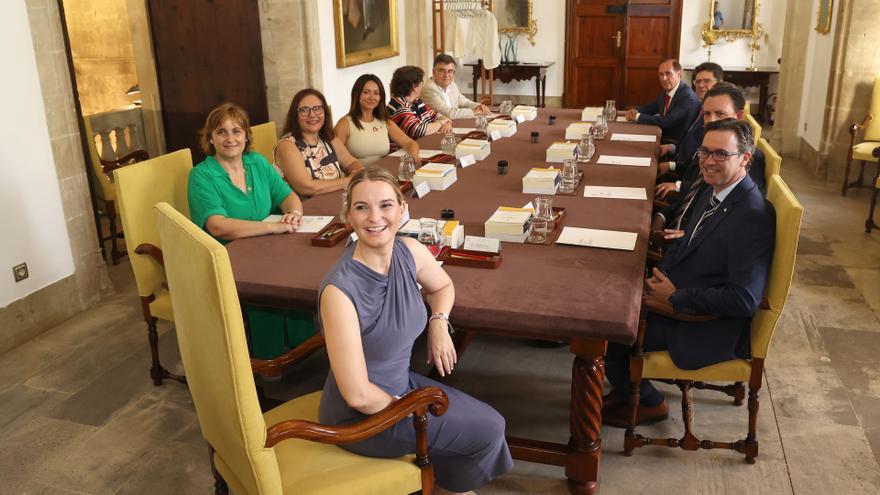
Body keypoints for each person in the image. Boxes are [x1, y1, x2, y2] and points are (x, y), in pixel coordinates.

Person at [318, 167, 513, 494]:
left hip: (401, 388)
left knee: (491, 421)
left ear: (403, 210)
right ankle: (455, 488)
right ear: (347, 215)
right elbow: (357, 394)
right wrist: (409, 408)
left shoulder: (408, 252)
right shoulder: (340, 291)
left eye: (385, 205)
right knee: (489, 428)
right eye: (361, 207)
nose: (374, 217)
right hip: (363, 418)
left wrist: (438, 322)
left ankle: (449, 486)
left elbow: (443, 286)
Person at [603, 118, 776, 428]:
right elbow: (687, 242)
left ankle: (649, 402)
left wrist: (674, 297)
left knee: (609, 333)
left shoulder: (752, 215)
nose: (709, 162)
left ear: (745, 159)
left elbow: (744, 298)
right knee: (609, 292)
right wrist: (657, 279)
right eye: (704, 152)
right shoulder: (718, 191)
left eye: (721, 154)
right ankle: (628, 389)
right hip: (682, 292)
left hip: (706, 326)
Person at [188, 102, 314, 359]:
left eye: (236, 131)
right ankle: (269, 361)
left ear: (246, 136)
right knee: (267, 284)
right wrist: (272, 227)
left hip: (268, 244)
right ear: (210, 138)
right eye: (221, 132)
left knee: (302, 269)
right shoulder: (202, 175)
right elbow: (217, 225)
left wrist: (294, 213)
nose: (230, 138)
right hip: (230, 255)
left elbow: (288, 195)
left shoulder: (256, 162)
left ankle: (304, 347)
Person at [655, 84, 766, 204]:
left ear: (738, 116)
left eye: (720, 114)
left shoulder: (747, 157)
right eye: (707, 114)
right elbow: (695, 168)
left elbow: (745, 202)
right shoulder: (709, 138)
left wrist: (678, 186)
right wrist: (670, 166)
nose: (711, 121)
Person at [275, 88, 365, 198]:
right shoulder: (287, 146)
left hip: (333, 200)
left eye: (317, 109)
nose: (312, 115)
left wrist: (358, 172)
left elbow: (351, 163)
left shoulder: (329, 138)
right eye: (304, 110)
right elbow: (306, 187)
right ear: (295, 115)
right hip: (302, 210)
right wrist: (350, 180)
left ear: (324, 113)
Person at [335, 74, 421, 165]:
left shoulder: (385, 122)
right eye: (366, 92)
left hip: (383, 173)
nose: (372, 97)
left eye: (376, 93)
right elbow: (334, 158)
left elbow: (410, 143)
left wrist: (414, 154)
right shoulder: (344, 124)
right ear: (357, 94)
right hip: (359, 176)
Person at [657, 61, 725, 175]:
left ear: (720, 83)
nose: (701, 85)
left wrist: (675, 176)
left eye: (706, 81)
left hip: (686, 174)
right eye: (697, 81)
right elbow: (690, 139)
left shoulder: (717, 119)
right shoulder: (699, 106)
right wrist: (671, 147)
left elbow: (706, 165)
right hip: (679, 161)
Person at [625, 59, 701, 144]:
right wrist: (636, 111)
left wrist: (638, 116)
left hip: (674, 143)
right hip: (662, 134)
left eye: (668, 73)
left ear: (679, 74)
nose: (664, 78)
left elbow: (668, 121)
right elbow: (654, 106)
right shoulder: (669, 89)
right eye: (661, 74)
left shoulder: (687, 96)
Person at [388, 65, 453, 140]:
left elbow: (436, 115)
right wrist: (442, 123)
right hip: (403, 150)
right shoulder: (398, 108)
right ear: (414, 86)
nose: (422, 86)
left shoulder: (416, 101)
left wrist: (446, 122)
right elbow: (420, 131)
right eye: (422, 83)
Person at [421, 54, 490, 119]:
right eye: (441, 71)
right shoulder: (429, 89)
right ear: (433, 72)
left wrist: (478, 106)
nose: (446, 75)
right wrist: (474, 112)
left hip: (452, 124)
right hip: (437, 128)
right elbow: (448, 113)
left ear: (454, 73)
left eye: (450, 71)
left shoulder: (452, 84)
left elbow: (463, 101)